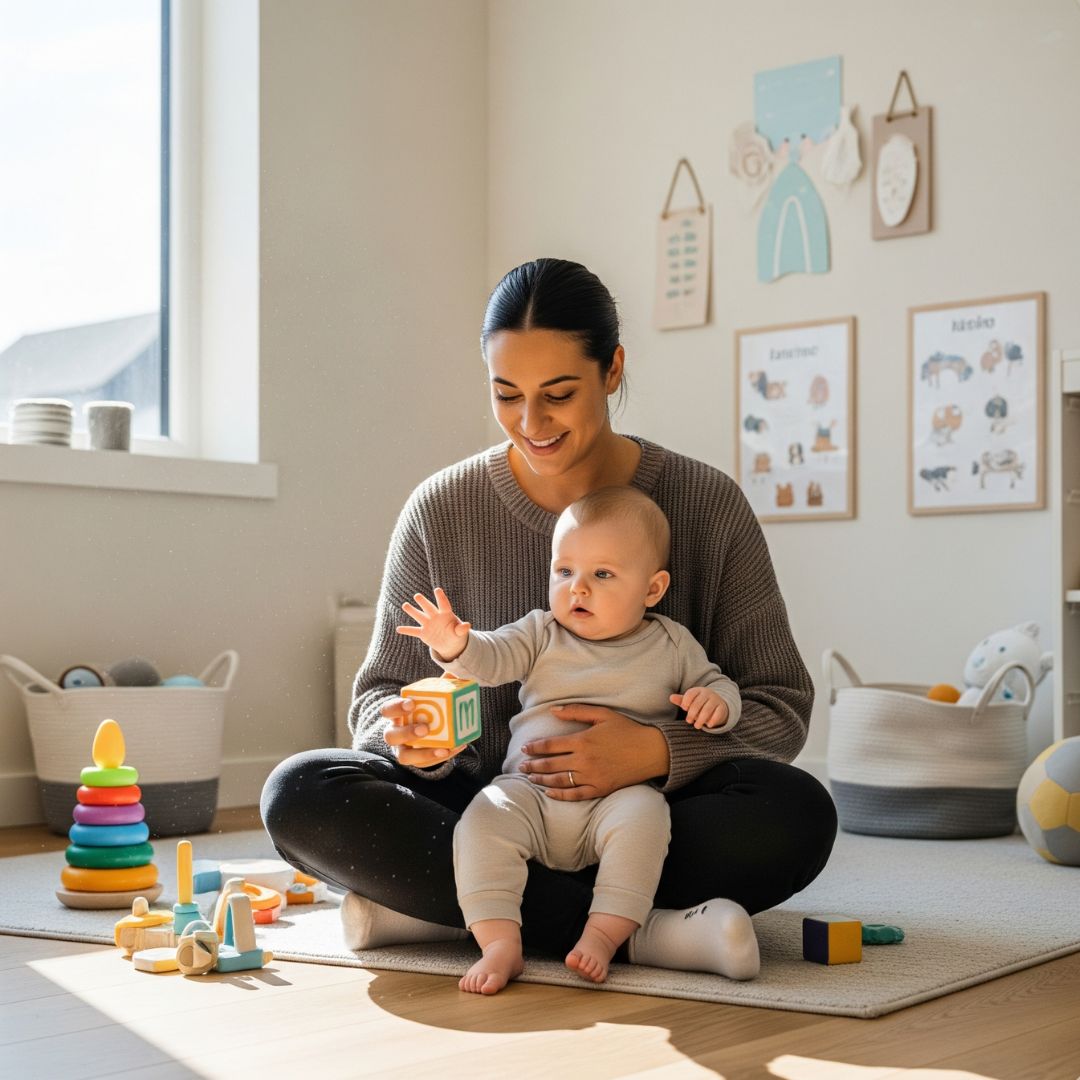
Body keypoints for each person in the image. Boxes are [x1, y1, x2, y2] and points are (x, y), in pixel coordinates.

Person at [260, 257, 837, 983]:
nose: (532, 424)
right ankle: (645, 932)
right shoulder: (441, 510)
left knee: (798, 812)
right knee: (300, 793)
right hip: (493, 804)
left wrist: (656, 752)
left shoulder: (706, 504)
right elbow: (379, 698)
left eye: (558, 395)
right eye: (507, 395)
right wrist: (418, 740)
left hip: (645, 815)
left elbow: (779, 703)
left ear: (613, 369)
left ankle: (454, 910)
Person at [399, 486, 749, 994]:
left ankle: (602, 936)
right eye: (564, 571)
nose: (577, 589)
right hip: (528, 793)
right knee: (482, 819)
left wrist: (715, 702)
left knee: (647, 819)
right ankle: (499, 943)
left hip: (618, 799)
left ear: (652, 590)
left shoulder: (672, 642)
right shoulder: (540, 632)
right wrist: (457, 645)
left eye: (602, 575)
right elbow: (490, 658)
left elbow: (718, 683)